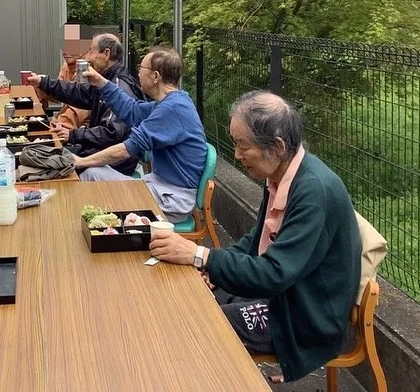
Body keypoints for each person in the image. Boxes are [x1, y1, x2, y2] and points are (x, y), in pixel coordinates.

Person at [149, 91, 361, 383]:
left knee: (197, 321)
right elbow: (256, 239)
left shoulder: (314, 192)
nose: (235, 154)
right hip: (285, 294)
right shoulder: (282, 174)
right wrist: (213, 268)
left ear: (276, 146)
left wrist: (201, 255)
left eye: (241, 144)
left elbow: (274, 273)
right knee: (190, 298)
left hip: (303, 317)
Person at [71, 47, 207, 222]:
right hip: (159, 187)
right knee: (95, 172)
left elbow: (126, 150)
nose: (138, 74)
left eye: (141, 69)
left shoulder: (172, 109)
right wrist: (101, 82)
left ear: (156, 76)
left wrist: (81, 161)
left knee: (91, 174)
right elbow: (132, 110)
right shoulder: (171, 102)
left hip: (171, 200)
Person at [25, 34, 144, 176]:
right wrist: (42, 82)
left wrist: (73, 135)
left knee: (46, 165)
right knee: (40, 157)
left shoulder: (118, 86)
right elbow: (78, 93)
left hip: (112, 163)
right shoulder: (104, 80)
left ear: (106, 54)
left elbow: (112, 133)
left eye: (91, 51)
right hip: (95, 151)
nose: (87, 58)